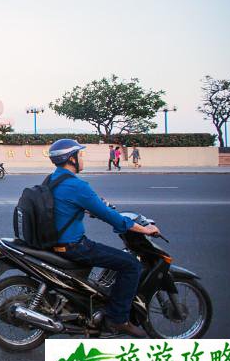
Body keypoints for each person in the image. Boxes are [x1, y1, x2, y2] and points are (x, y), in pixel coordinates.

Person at [47, 138, 160, 337]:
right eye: (80, 155)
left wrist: (90, 208)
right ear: (71, 159)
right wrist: (144, 229)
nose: (82, 158)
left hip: (54, 241)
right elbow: (111, 217)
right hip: (74, 246)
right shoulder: (76, 185)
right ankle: (118, 319)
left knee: (112, 257)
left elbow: (65, 206)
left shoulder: (52, 180)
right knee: (131, 264)